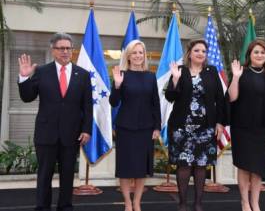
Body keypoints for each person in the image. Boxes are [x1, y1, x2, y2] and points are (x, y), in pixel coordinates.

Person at [18, 32, 93, 211]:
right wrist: (24, 78)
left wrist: (87, 130)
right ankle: (42, 207)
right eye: (61, 48)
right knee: (44, 175)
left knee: (68, 176)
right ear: (53, 50)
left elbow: (88, 106)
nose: (65, 51)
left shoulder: (82, 74)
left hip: (72, 135)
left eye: (68, 48)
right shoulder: (42, 71)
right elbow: (27, 97)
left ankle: (65, 207)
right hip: (46, 134)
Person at [165, 39, 225, 211]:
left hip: (205, 128)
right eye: (197, 50)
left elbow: (220, 99)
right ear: (190, 53)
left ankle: (198, 203)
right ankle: (182, 203)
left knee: (200, 165)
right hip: (181, 127)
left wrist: (220, 122)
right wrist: (175, 80)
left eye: (203, 51)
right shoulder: (180, 71)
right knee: (183, 165)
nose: (200, 53)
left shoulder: (211, 71)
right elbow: (170, 97)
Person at [228, 39, 265, 211]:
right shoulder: (241, 73)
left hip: (263, 128)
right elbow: (232, 97)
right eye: (256, 52)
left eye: (263, 52)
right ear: (249, 55)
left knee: (258, 168)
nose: (259, 55)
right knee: (244, 166)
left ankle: (255, 202)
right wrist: (235, 77)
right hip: (242, 128)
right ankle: (244, 202)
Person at [109, 40, 161, 211]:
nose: (138, 56)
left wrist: (157, 127)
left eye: (141, 52)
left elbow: (156, 103)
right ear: (128, 56)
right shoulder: (121, 75)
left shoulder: (150, 76)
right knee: (125, 168)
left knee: (141, 169)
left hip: (146, 129)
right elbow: (113, 102)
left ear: (144, 55)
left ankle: (137, 202)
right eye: (134, 53)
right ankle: (127, 202)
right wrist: (117, 85)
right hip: (125, 128)